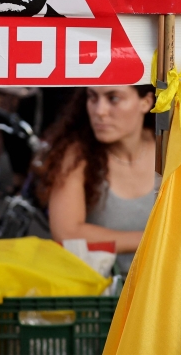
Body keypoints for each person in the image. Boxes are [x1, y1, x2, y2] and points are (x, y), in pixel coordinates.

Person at [39, 86, 157, 274]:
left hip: (164, 289)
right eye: (92, 98)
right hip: (103, 293)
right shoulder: (77, 156)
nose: (100, 111)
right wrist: (157, 240)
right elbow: (67, 233)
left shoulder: (167, 148)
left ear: (146, 102)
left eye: (114, 99)